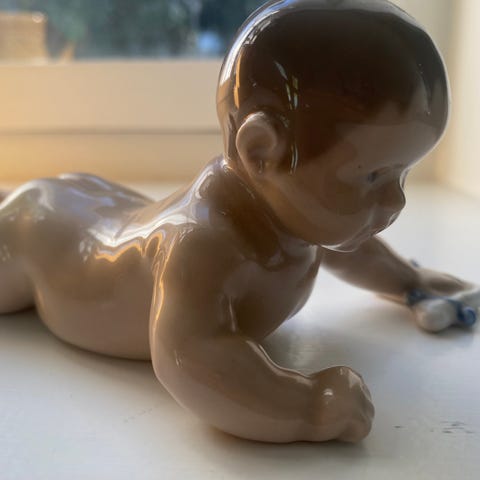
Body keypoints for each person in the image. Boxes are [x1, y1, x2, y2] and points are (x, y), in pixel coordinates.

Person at [0, 0, 478, 443]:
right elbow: (190, 355)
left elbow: (353, 250)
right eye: (373, 176)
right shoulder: (201, 245)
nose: (396, 199)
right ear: (262, 151)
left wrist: (408, 281)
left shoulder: (298, 210)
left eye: (403, 173)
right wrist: (308, 406)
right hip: (41, 229)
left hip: (89, 204)